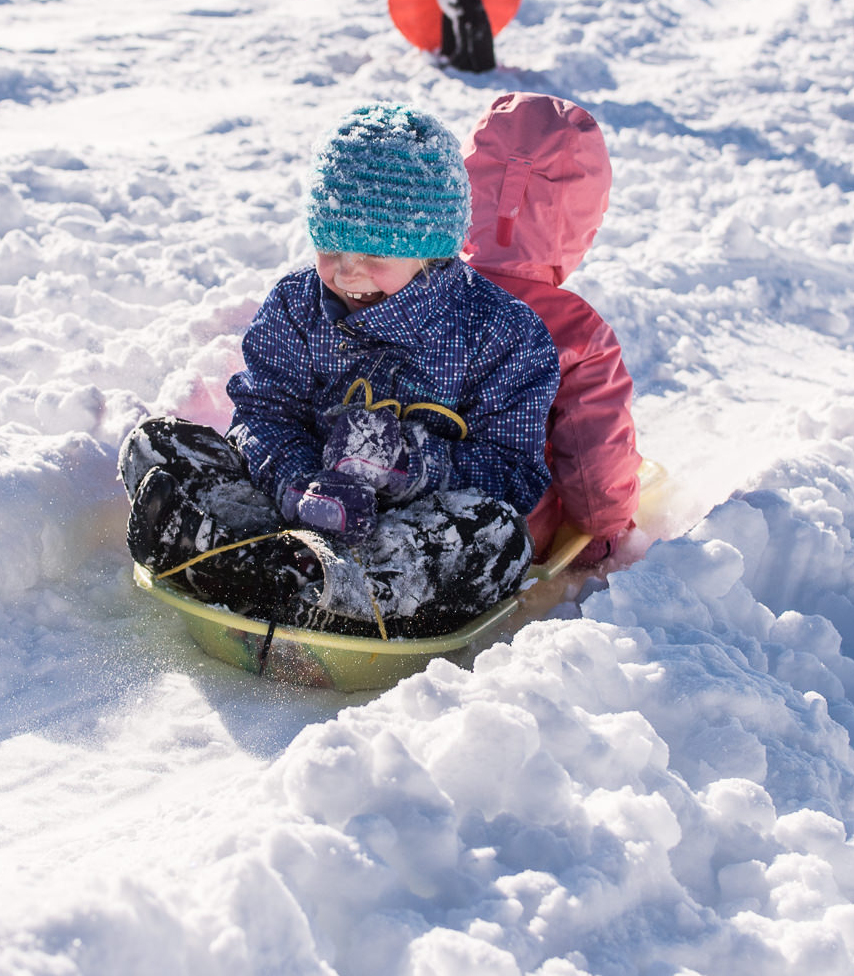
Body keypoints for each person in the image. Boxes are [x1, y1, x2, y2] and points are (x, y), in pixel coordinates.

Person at [121, 102, 560, 637]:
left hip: (401, 538)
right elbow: (262, 414)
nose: (346, 271)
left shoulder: (502, 334)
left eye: (373, 253)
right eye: (330, 246)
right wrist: (299, 487)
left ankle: (337, 590)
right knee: (157, 443)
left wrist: (403, 467)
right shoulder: (296, 305)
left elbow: (514, 473)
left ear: (431, 250)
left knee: (500, 536)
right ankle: (253, 555)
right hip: (286, 517)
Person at [462, 93, 642, 565]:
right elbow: (593, 460)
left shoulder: (419, 288)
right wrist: (601, 532)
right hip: (506, 529)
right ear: (582, 218)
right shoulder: (576, 332)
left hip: (398, 498)